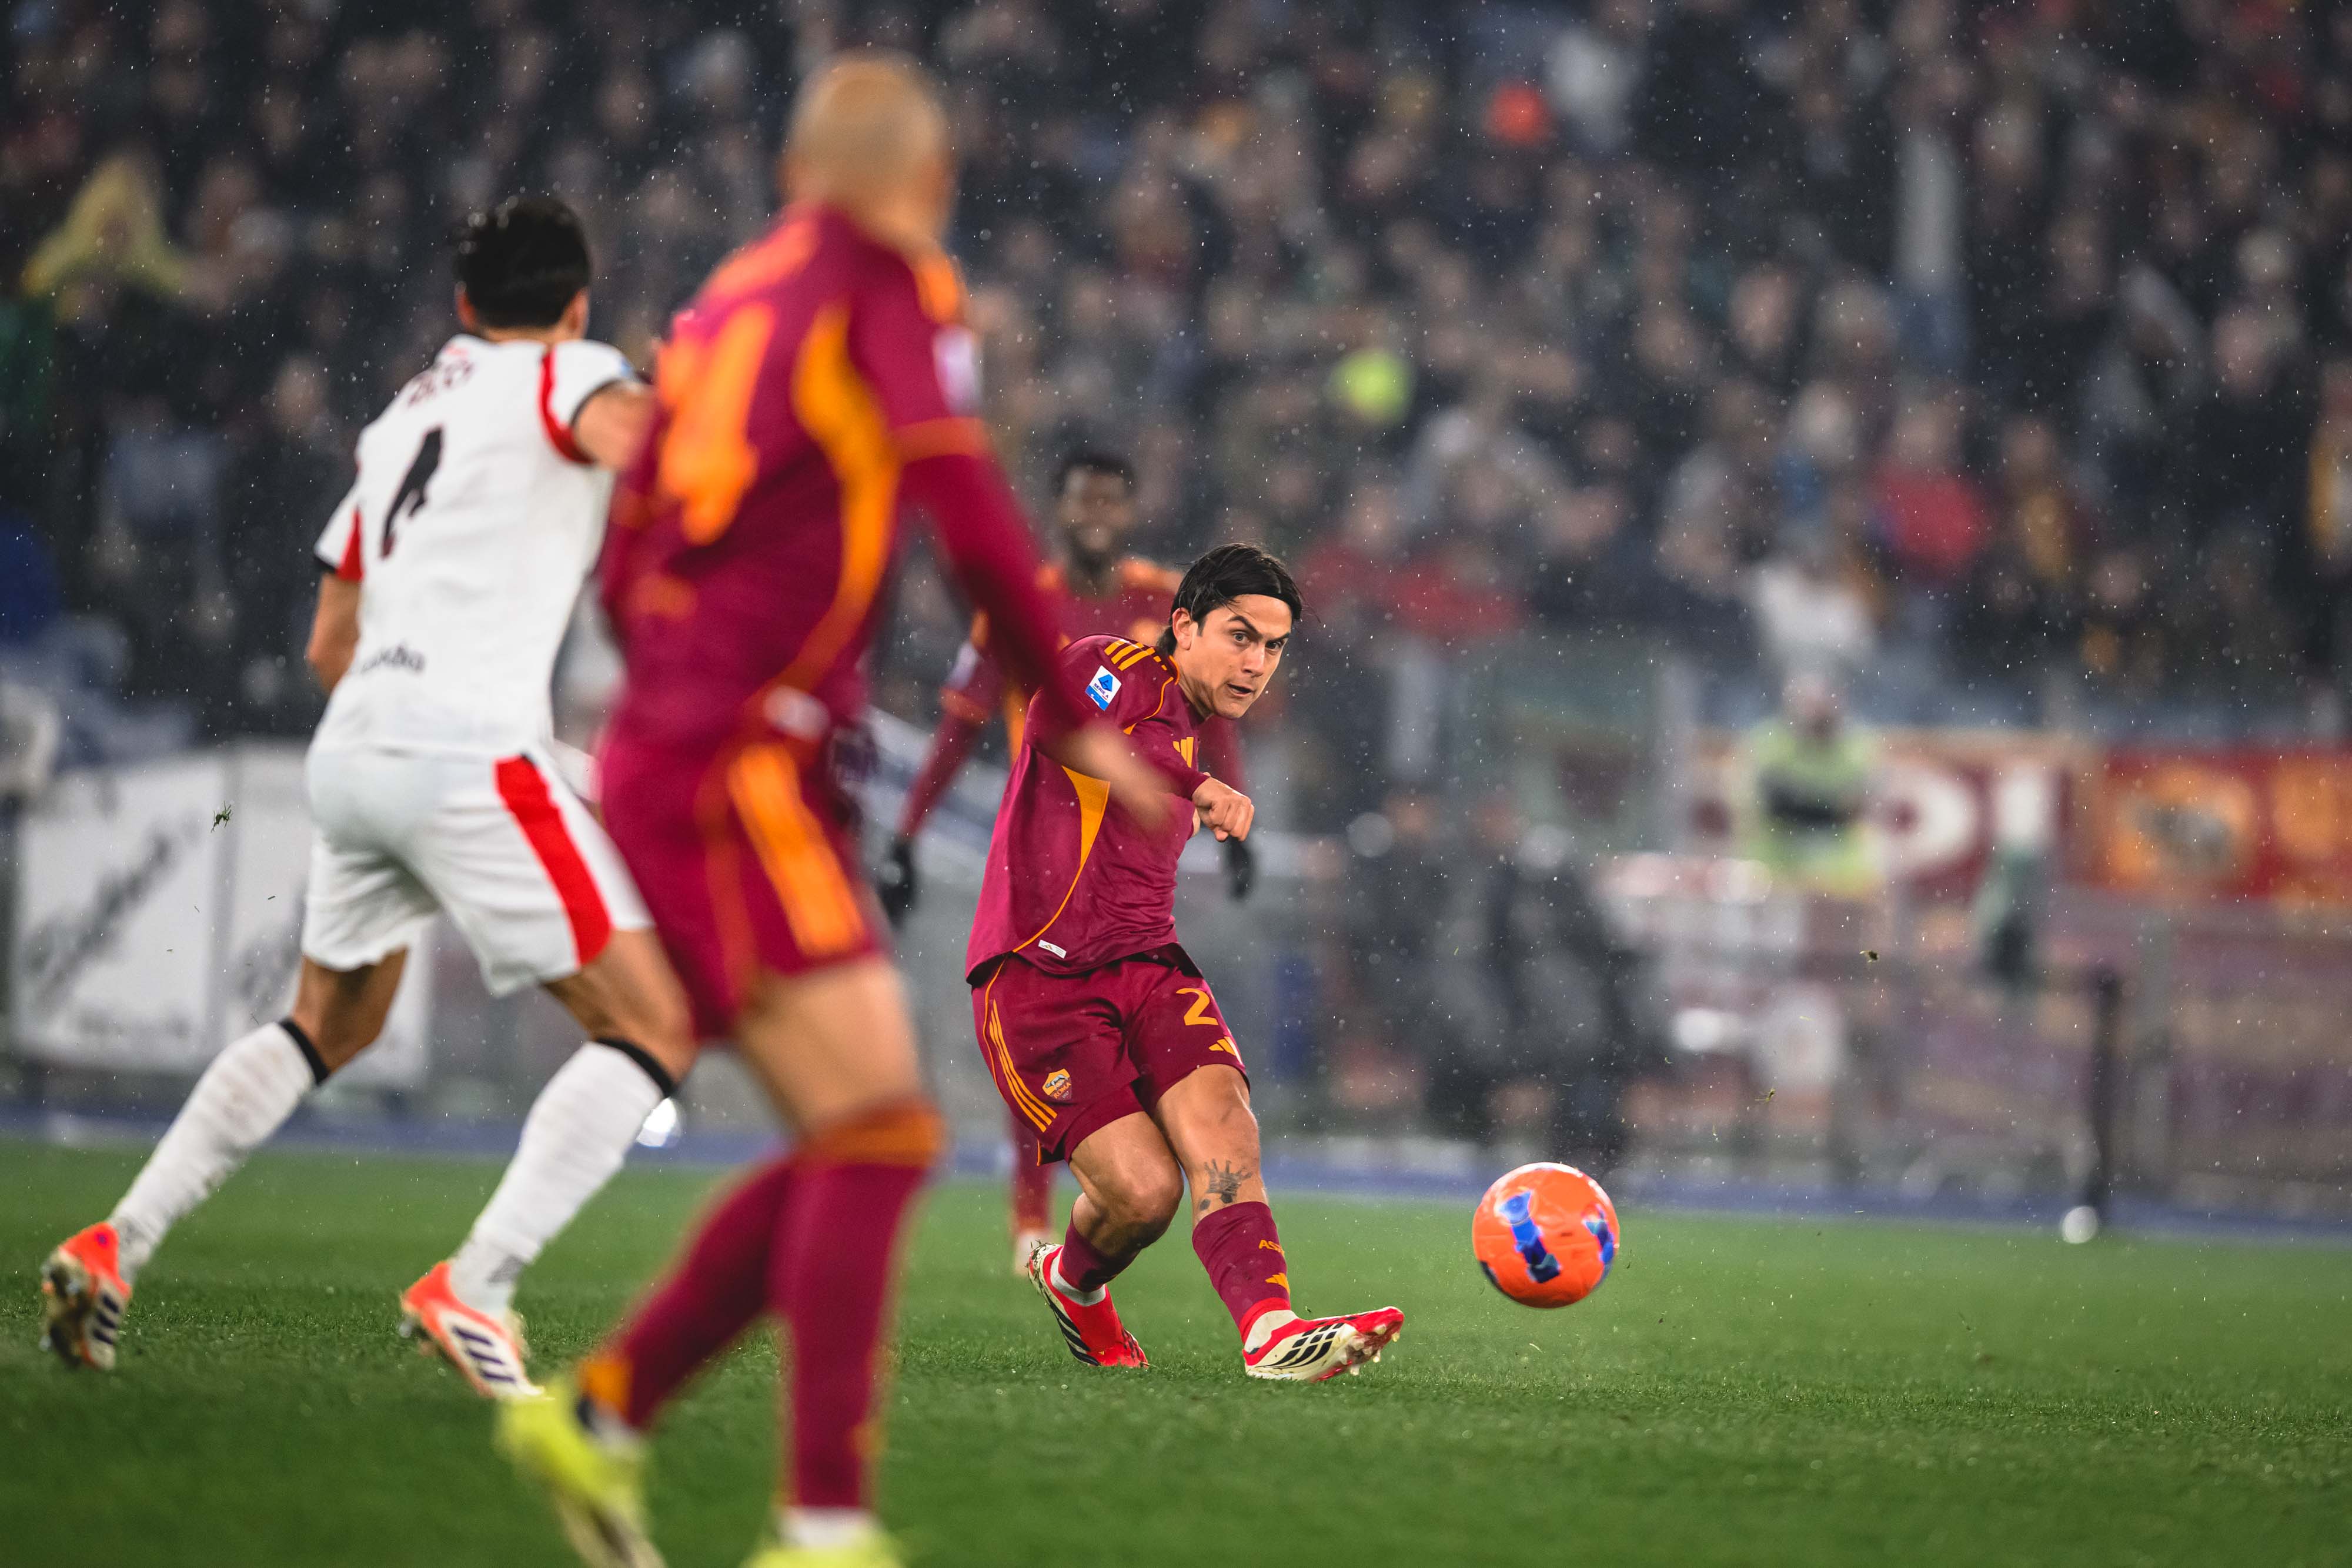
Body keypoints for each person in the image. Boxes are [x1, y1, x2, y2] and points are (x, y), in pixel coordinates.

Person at [493, 55, 1177, 1568]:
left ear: (796, 173)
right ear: (925, 183)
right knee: (874, 1131)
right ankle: (816, 1522)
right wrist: (1067, 714)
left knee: (861, 1132)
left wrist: (698, 694)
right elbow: (968, 509)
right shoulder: (889, 283)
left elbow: (628, 560)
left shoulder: (723, 305)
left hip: (688, 745)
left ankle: (606, 1413)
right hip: (735, 761)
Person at [38, 197, 701, 1401]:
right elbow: (652, 451)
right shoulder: (569, 375)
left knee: (326, 1025)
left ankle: (114, 1243)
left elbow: (327, 641)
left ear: (463, 304)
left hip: (354, 743)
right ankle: (479, 1284)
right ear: (574, 308)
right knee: (657, 1025)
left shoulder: (399, 422)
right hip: (472, 746)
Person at [975, 544, 1406, 1383]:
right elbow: (1058, 725)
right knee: (1143, 1198)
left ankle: (1270, 1331)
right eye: (1240, 636)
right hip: (1039, 978)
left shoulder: (1193, 729)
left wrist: (1194, 779)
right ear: (1183, 625)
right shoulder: (1114, 665)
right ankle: (1073, 1283)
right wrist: (1195, 785)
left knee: (1226, 1125)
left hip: (1149, 965)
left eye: (1274, 647)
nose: (1257, 664)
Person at [880, 445, 1255, 1272]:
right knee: (1044, 1010)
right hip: (1050, 835)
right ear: (1058, 509)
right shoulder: (1021, 607)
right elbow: (960, 727)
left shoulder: (1168, 602)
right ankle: (1031, 1216)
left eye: (1111, 501)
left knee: (1122, 1012)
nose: (1096, 515)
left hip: (1146, 841)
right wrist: (906, 835)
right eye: (1083, 500)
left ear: (1131, 511)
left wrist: (1235, 811)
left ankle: (1114, 1187)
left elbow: (1214, 715)